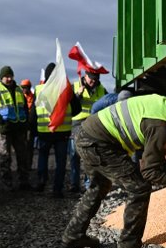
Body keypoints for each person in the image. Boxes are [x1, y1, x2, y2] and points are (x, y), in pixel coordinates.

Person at [62, 92, 166, 248]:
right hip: (98, 143)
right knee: (139, 187)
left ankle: (73, 235)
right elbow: (149, 172)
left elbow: (146, 129)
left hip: (87, 134)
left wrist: (157, 146)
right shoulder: (162, 126)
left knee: (99, 186)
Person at [34, 62, 81, 197]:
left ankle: (41, 182)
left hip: (44, 132)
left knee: (42, 157)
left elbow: (32, 115)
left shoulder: (39, 90)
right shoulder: (65, 89)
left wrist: (34, 130)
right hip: (62, 132)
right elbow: (77, 109)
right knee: (61, 161)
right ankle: (57, 189)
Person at [0, 65, 31, 190]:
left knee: (22, 156)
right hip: (4, 129)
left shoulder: (19, 89)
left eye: (10, 76)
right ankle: (7, 183)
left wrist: (25, 123)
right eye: (6, 77)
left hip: (18, 128)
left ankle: (23, 181)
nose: (8, 79)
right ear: (1, 78)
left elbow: (24, 107)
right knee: (5, 157)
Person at [69, 69, 107, 193]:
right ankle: (74, 184)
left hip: (92, 126)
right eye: (91, 78)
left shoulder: (102, 89)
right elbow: (69, 105)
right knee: (74, 156)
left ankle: (88, 184)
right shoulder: (74, 86)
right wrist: (78, 95)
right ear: (85, 76)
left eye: (96, 79)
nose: (93, 81)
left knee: (89, 156)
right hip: (76, 125)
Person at [21, 78, 36, 171]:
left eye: (25, 87)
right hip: (22, 125)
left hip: (31, 125)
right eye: (22, 87)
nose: (24, 89)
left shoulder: (34, 97)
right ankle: (23, 165)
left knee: (29, 146)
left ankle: (29, 165)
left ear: (29, 87)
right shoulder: (20, 97)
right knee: (22, 146)